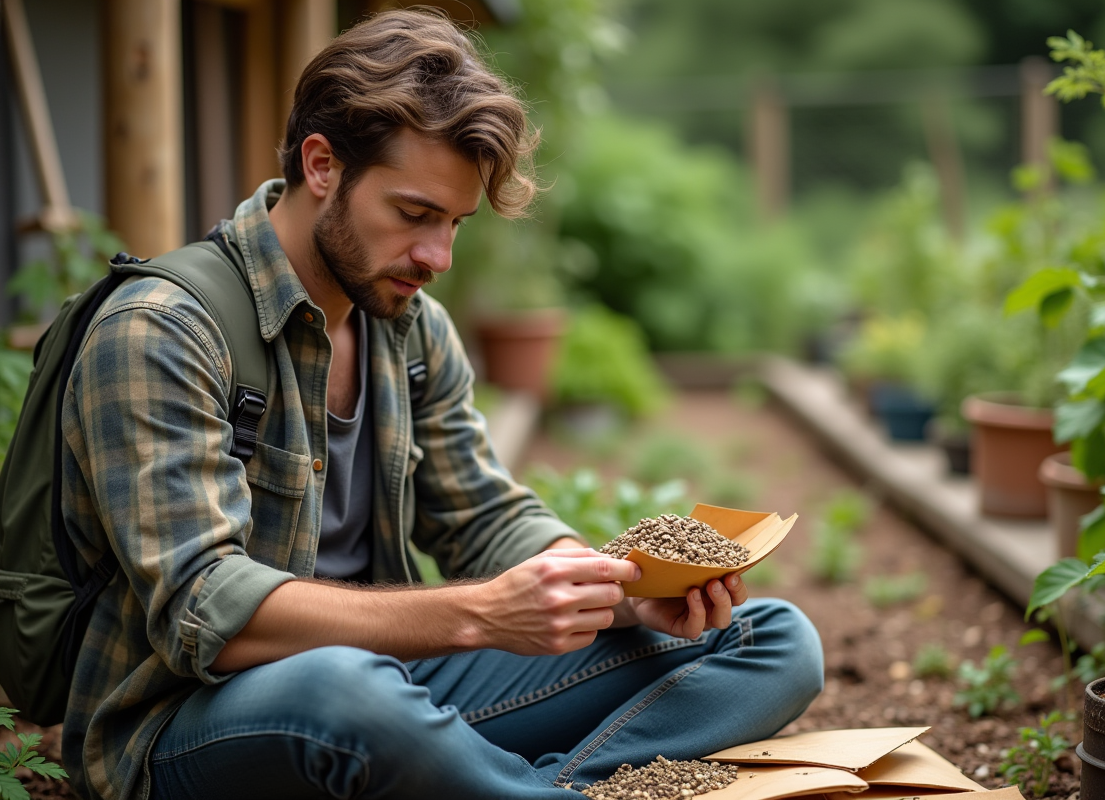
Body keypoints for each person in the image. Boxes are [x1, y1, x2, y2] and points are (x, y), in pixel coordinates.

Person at [60, 10, 823, 800]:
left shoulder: (409, 326)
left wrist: (616, 591)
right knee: (346, 691)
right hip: (191, 726)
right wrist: (479, 617)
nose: (438, 258)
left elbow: (480, 516)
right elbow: (207, 611)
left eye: (455, 223)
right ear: (321, 165)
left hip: (393, 691)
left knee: (773, 641)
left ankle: (530, 789)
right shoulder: (162, 329)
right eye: (415, 215)